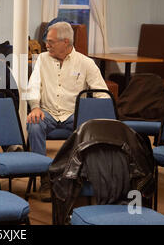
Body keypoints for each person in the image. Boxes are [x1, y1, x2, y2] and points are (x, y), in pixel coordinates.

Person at [26, 21, 108, 201]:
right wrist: (35, 107)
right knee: (34, 124)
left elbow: (103, 95)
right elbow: (33, 85)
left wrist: (93, 115)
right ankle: (45, 179)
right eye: (46, 41)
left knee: (90, 128)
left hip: (75, 115)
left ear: (66, 42)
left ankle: (79, 178)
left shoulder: (86, 63)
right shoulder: (42, 59)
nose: (46, 45)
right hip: (47, 113)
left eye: (50, 41)